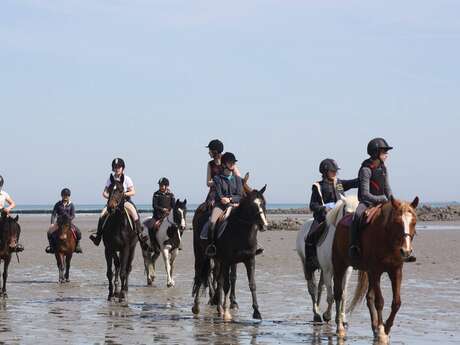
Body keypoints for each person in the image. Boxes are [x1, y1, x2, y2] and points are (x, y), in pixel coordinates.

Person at [349, 138, 415, 263]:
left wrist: (392, 201)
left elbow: (387, 188)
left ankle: (403, 250)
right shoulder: (366, 169)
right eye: (384, 151)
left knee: (401, 220)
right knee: (357, 216)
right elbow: (365, 194)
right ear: (375, 153)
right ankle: (354, 246)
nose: (387, 154)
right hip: (367, 203)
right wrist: (382, 198)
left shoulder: (383, 168)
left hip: (384, 203)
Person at [305, 159, 358, 267]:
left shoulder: (339, 183)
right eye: (332, 171)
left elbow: (353, 183)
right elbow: (312, 205)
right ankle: (311, 260)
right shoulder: (318, 186)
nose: (335, 173)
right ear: (325, 172)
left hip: (338, 216)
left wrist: (363, 177)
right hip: (323, 217)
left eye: (335, 171)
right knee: (310, 235)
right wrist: (323, 208)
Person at [89, 158, 147, 248]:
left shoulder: (127, 179)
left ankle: (140, 235)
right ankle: (98, 237)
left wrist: (123, 194)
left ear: (122, 168)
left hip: (125, 201)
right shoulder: (110, 179)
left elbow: (133, 192)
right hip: (113, 202)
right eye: (115, 167)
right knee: (102, 214)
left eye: (119, 167)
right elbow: (104, 193)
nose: (117, 169)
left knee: (134, 213)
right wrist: (112, 198)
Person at [205, 152, 244, 257]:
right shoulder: (217, 179)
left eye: (233, 163)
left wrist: (230, 199)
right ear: (224, 164)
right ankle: (211, 246)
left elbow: (240, 195)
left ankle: (251, 245)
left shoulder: (238, 179)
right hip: (220, 206)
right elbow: (219, 195)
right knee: (212, 222)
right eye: (230, 162)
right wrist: (224, 199)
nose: (232, 164)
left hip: (235, 205)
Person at [45, 188, 82, 254]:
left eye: (67, 195)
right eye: (64, 195)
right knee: (49, 232)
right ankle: (51, 247)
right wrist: (52, 223)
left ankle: (77, 246)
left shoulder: (71, 205)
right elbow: (53, 214)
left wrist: (68, 220)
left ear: (69, 196)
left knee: (78, 232)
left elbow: (73, 215)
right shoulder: (58, 204)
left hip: (68, 223)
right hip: (59, 223)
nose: (65, 197)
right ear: (62, 196)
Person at [205, 139, 241, 206]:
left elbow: (238, 175)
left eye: (209, 150)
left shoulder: (227, 160)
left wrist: (226, 181)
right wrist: (218, 182)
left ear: (214, 151)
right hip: (215, 191)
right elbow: (208, 183)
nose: (208, 152)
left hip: (229, 189)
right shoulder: (210, 164)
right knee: (207, 207)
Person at [0, 175, 23, 252]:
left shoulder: (4, 194)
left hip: (3, 214)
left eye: (0, 185)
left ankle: (15, 244)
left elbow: (13, 203)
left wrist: (8, 208)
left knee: (16, 226)